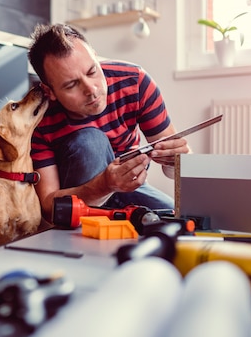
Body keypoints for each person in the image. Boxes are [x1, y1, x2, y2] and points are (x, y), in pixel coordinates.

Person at [28, 23, 190, 221]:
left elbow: (174, 168)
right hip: (79, 199)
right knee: (90, 141)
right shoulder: (38, 119)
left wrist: (177, 160)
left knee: (182, 221)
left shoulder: (135, 82)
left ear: (95, 57)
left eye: (92, 71)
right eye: (71, 85)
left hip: (129, 191)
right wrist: (103, 185)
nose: (91, 89)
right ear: (49, 91)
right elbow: (48, 206)